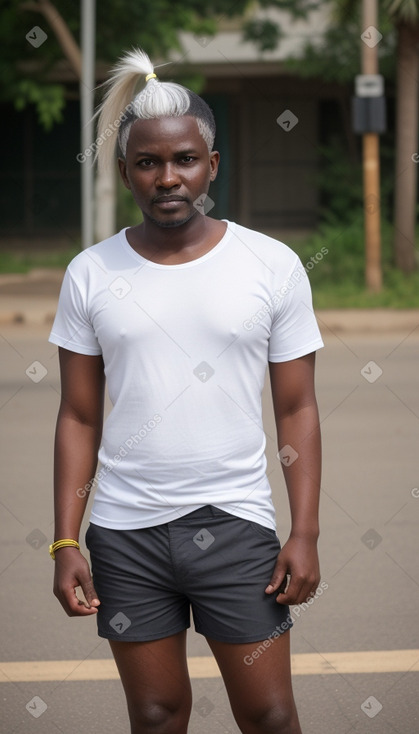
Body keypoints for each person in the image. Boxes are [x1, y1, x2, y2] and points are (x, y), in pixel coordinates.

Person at [49, 48, 324, 734]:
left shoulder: (270, 265)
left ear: (212, 165)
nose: (167, 177)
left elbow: (297, 408)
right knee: (156, 713)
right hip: (123, 534)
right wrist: (65, 542)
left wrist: (305, 532)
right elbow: (79, 416)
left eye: (184, 160)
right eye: (148, 163)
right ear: (125, 172)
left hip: (235, 526)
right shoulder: (90, 273)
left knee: (267, 715)